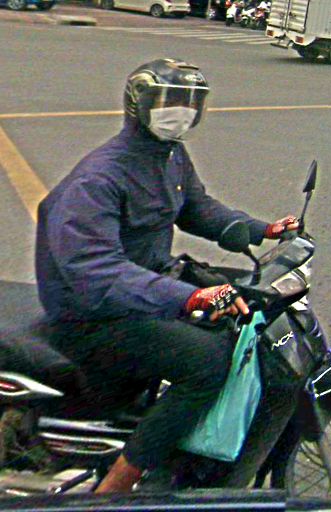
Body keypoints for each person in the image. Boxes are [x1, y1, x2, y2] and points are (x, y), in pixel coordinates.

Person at [35, 57, 299, 493]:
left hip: (143, 289)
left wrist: (261, 230)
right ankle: (119, 483)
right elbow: (97, 272)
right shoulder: (99, 178)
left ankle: (180, 439)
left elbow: (197, 208)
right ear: (139, 105)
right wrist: (187, 297)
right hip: (93, 316)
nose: (182, 112)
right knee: (209, 363)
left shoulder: (169, 155)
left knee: (240, 310)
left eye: (190, 102)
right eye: (170, 101)